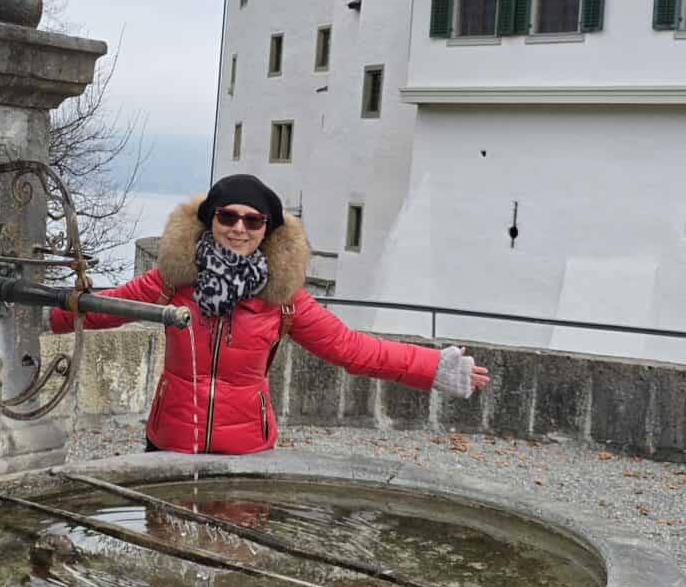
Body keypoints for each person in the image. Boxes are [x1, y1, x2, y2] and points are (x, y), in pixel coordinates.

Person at [50, 174, 489, 455]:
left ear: (267, 230)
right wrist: (34, 314)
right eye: (228, 216)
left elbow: (352, 350)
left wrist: (436, 368)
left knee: (237, 582)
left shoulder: (283, 299)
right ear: (211, 220)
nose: (239, 228)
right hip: (169, 444)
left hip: (246, 450)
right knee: (167, 579)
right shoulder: (174, 280)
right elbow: (101, 309)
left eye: (253, 221)